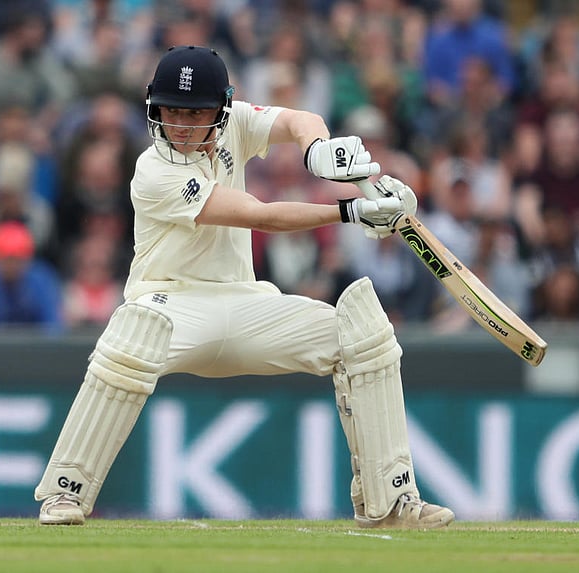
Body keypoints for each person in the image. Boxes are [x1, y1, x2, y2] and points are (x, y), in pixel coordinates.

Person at [34, 46, 454, 529]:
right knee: (132, 338)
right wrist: (352, 210)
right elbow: (261, 216)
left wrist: (318, 149)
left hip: (243, 303)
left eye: (195, 113)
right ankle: (66, 491)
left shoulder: (236, 124)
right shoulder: (153, 170)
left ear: (221, 109)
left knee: (362, 335)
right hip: (170, 302)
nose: (181, 126)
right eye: (171, 111)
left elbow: (299, 118)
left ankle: (391, 501)